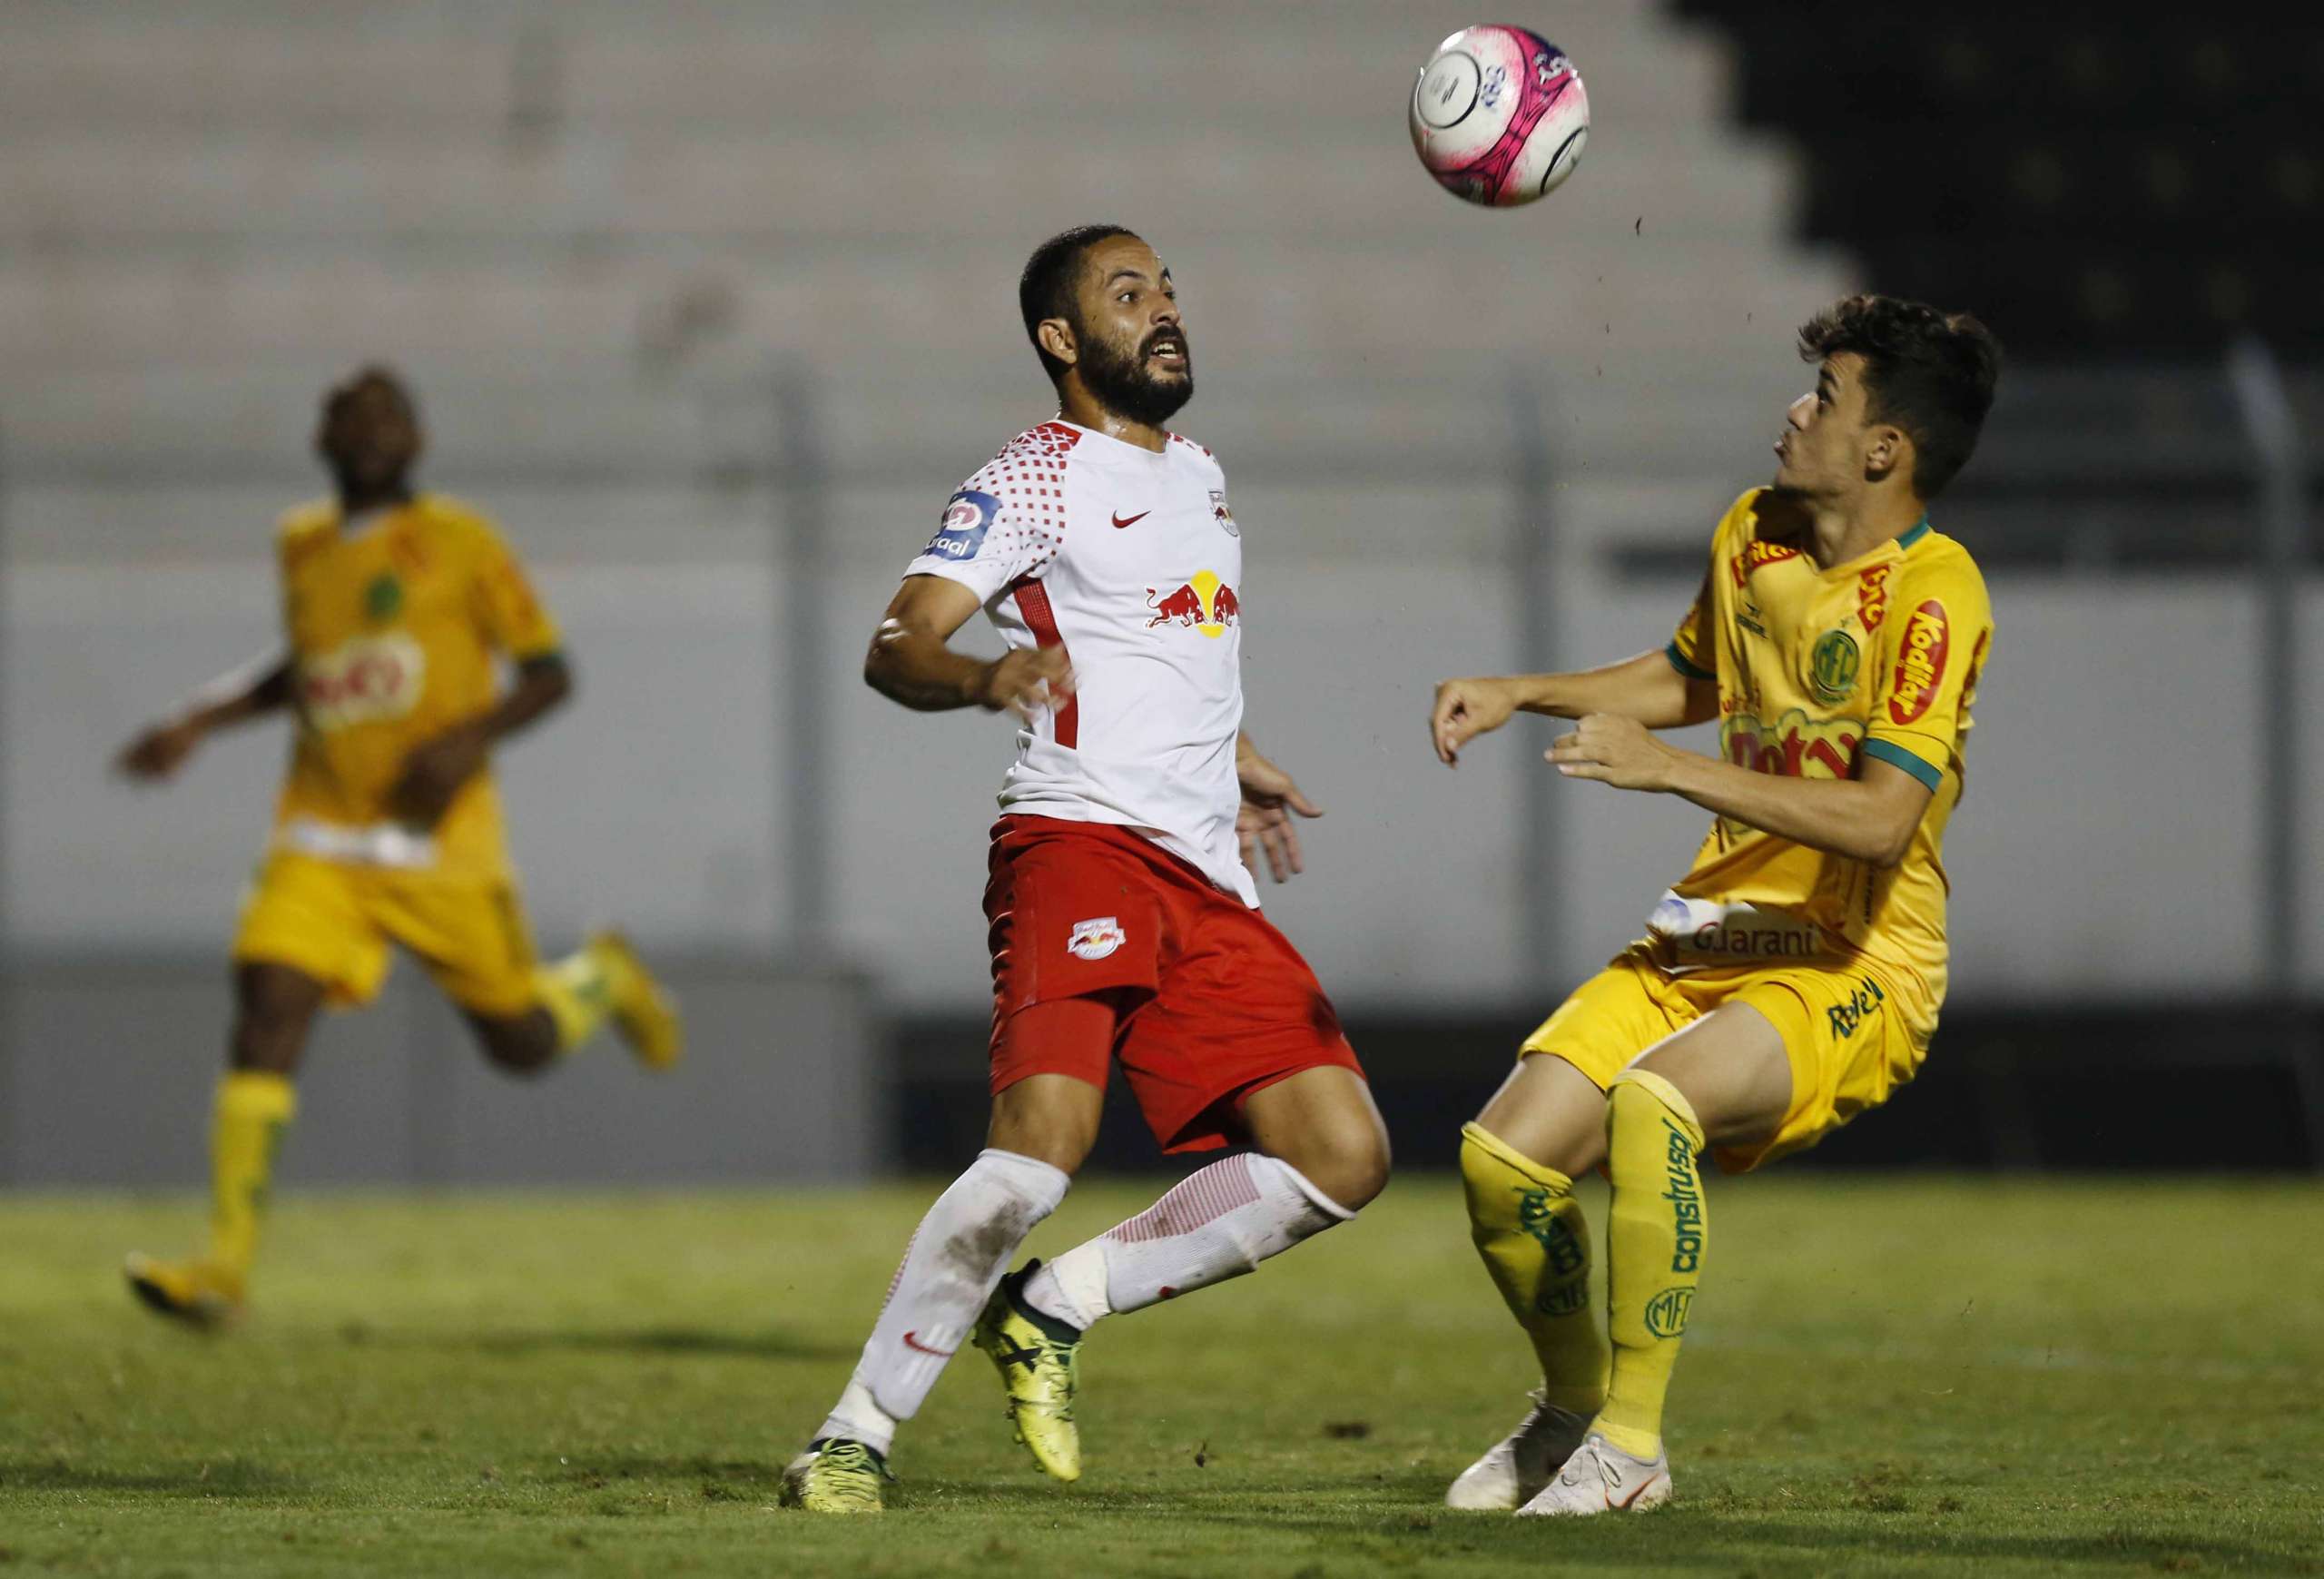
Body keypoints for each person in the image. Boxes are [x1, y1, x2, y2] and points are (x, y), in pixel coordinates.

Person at [783, 225, 1392, 1515]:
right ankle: (852, 1434)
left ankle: (1058, 1303)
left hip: (1206, 870)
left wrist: (1240, 756)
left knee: (1342, 1154)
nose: (1164, 310)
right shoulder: (1033, 476)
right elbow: (898, 642)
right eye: (1128, 295)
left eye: (1169, 288)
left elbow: (1167, 655)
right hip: (1077, 842)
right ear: (1062, 339)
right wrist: (984, 675)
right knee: (1039, 1150)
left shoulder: (1207, 475)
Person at [1428, 296, 2002, 1516]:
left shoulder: (1936, 592)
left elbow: (1882, 819)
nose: (1794, 411)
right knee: (1501, 1162)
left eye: (1827, 397)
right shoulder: (1755, 529)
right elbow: (1693, 675)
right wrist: (1518, 686)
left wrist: (1671, 769)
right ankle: (1575, 1410)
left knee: (1655, 1103)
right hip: (1714, 931)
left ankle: (1631, 1449)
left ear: (1884, 450)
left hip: (1852, 959)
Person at [115, 367, 682, 1325]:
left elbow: (550, 673)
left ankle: (599, 977)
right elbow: (307, 666)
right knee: (266, 996)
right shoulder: (299, 545)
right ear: (322, 436)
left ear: (416, 440)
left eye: (389, 417)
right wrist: (196, 720)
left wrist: (467, 740)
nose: (371, 430)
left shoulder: (462, 543)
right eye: (351, 415)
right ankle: (222, 1265)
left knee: (520, 1043)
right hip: (322, 838)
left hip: (439, 846)